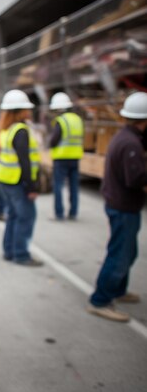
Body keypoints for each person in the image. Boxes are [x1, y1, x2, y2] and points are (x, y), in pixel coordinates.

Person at [87, 92, 147, 322]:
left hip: (120, 204)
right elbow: (136, 179)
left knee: (127, 252)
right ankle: (100, 300)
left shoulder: (125, 137)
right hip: (123, 207)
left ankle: (118, 290)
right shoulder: (131, 143)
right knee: (119, 255)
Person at [0, 89, 43, 267]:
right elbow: (25, 163)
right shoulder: (21, 131)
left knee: (13, 215)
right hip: (16, 182)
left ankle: (9, 251)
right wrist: (32, 187)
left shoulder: (6, 129)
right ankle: (21, 254)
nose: (29, 111)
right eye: (26, 108)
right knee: (26, 217)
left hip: (4, 179)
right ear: (19, 111)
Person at [48, 92, 83, 220]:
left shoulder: (61, 121)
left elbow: (54, 140)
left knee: (58, 186)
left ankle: (59, 213)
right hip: (75, 157)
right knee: (74, 186)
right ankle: (73, 213)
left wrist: (50, 144)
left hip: (61, 158)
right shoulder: (78, 119)